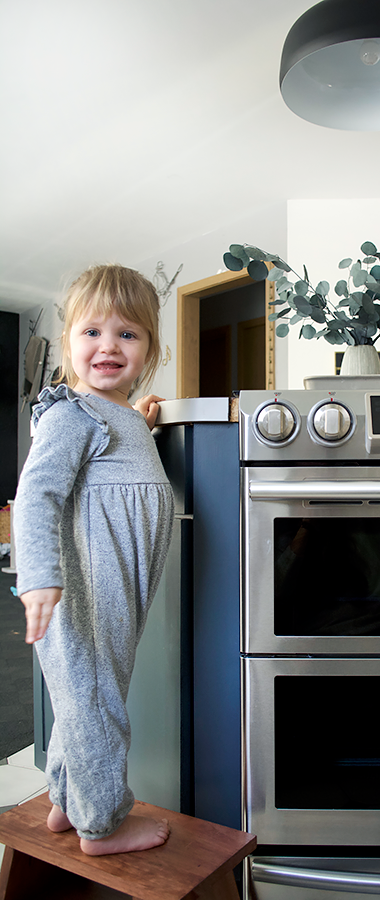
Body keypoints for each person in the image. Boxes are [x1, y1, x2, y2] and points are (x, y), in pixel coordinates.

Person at [13, 264, 174, 856]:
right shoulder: (69, 414)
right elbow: (37, 494)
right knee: (97, 700)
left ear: (149, 350)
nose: (108, 346)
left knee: (81, 695)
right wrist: (39, 576)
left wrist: (142, 424)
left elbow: (117, 470)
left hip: (119, 585)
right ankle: (101, 826)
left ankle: (65, 798)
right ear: (68, 344)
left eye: (128, 335)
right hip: (83, 585)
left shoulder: (116, 416)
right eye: (92, 333)